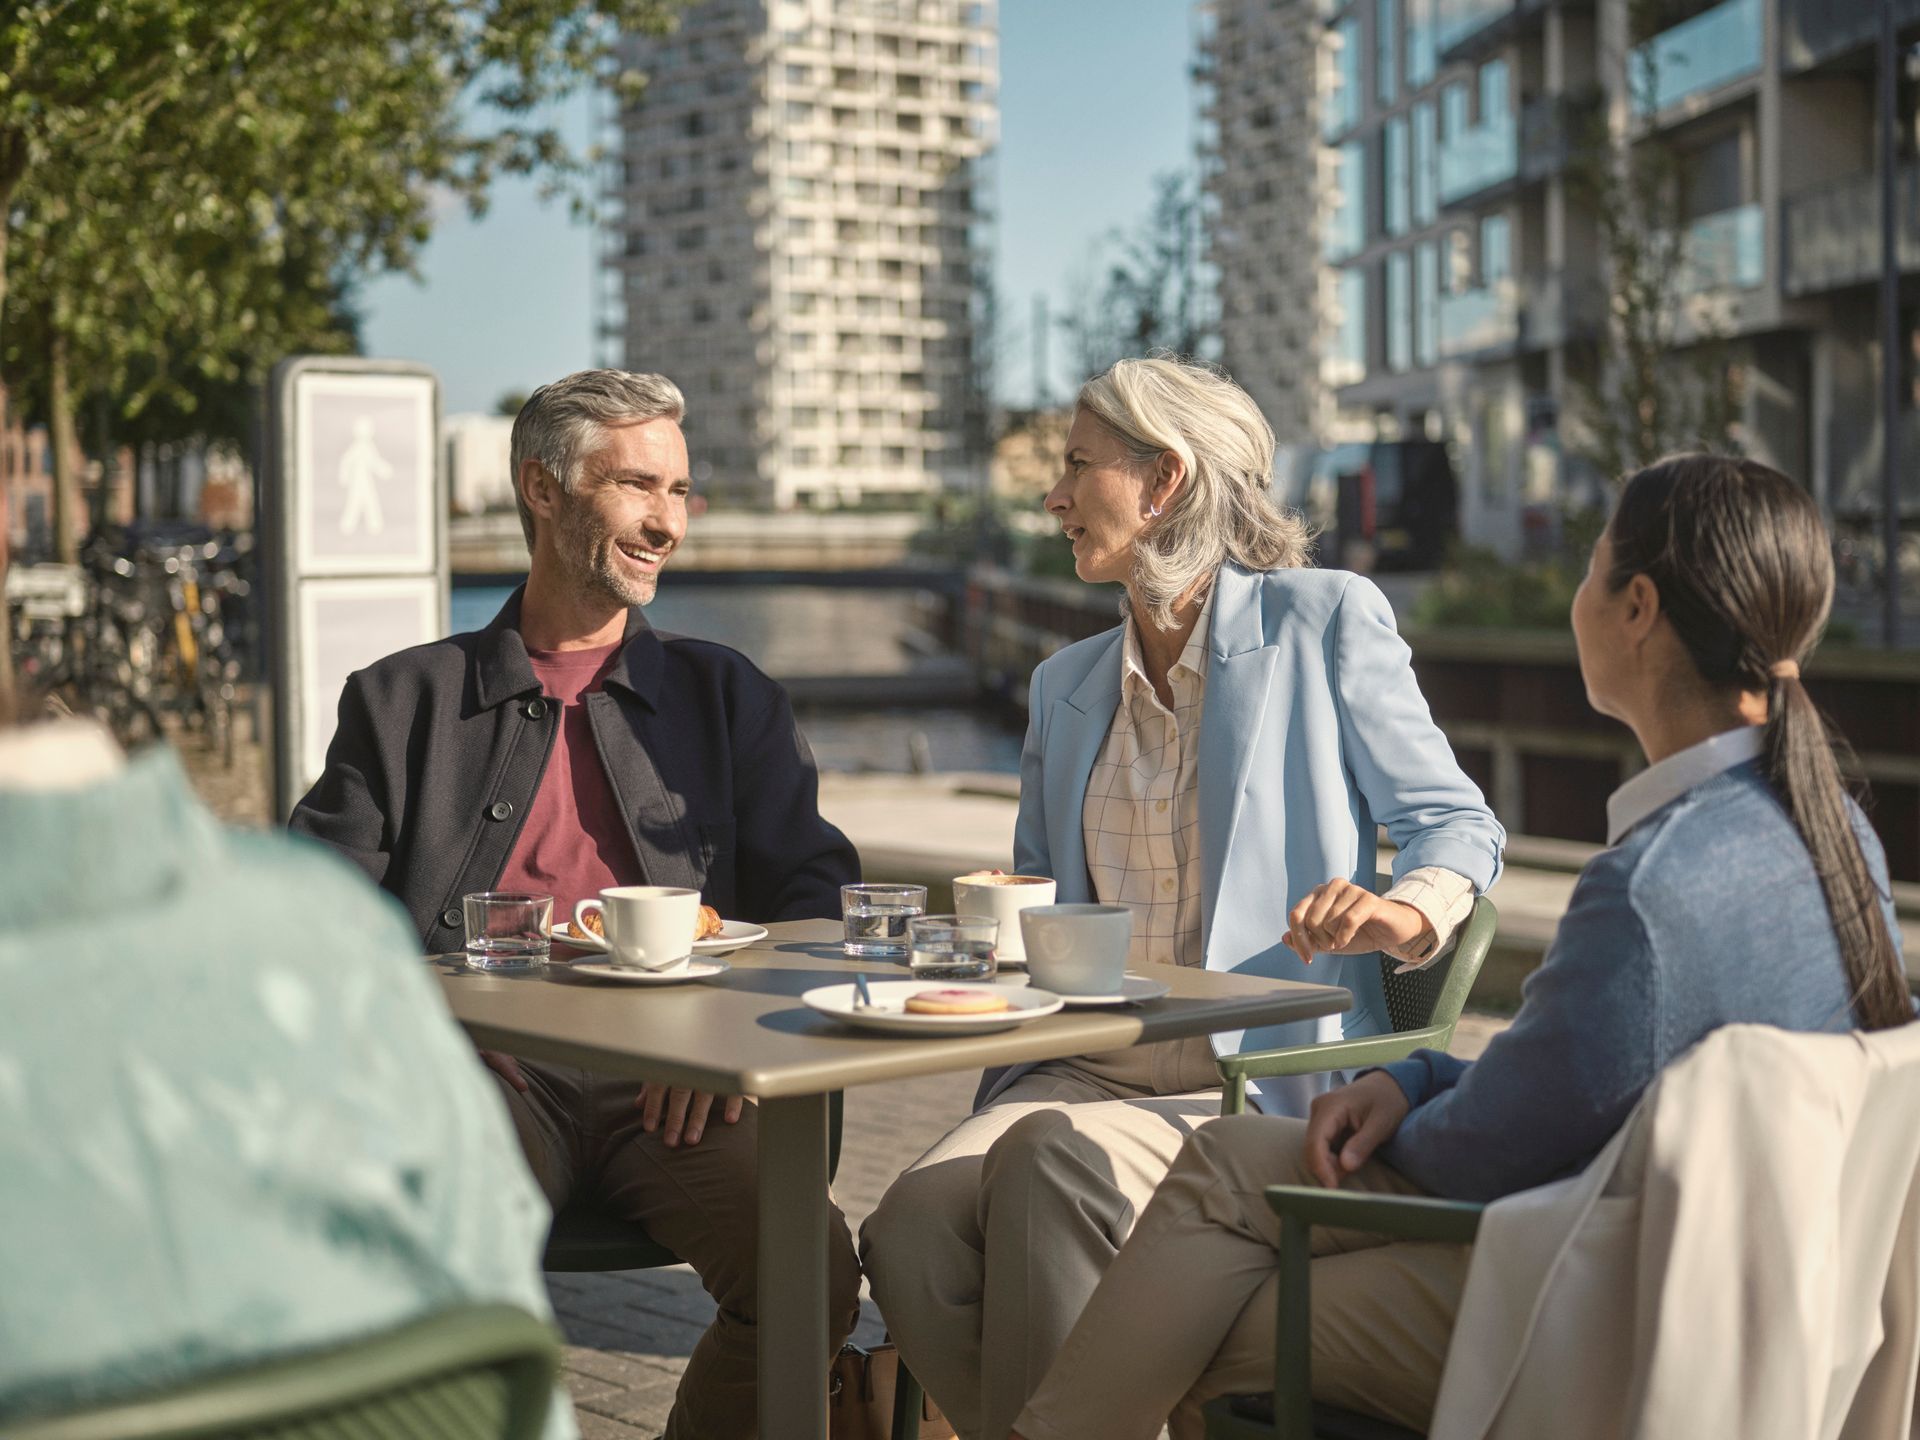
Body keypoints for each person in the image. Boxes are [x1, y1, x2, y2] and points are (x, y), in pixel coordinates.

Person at [1008, 453, 1910, 1440]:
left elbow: (1488, 1152)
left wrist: (1405, 1116)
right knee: (1206, 1224)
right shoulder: (1836, 837)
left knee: (1196, 1285)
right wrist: (1419, 1076)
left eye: (1590, 566)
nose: (1579, 596)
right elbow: (1579, 1079)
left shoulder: (1652, 889)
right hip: (1747, 1295)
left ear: (1637, 608)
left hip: (1590, 1306)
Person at [862, 356, 1505, 1440]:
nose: (1053, 497)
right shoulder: (1062, 688)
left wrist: (1409, 910)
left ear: (1163, 480)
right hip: (1072, 1064)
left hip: (1249, 1083)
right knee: (911, 1226)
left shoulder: (1325, 623)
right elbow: (1030, 903)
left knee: (1042, 1168)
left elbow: (1459, 822)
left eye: (1076, 467)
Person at [289, 368, 864, 1439]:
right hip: (484, 1080)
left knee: (812, 1273)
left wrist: (723, 1043)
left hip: (681, 1088)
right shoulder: (403, 699)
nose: (668, 522)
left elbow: (819, 892)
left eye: (682, 492)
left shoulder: (727, 694)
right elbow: (312, 919)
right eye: (638, 486)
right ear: (542, 490)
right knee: (425, 1263)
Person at [0, 705, 574, 1432]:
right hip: (491, 1070)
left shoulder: (713, 694)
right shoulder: (331, 933)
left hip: (634, 1090)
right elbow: (518, 1362)